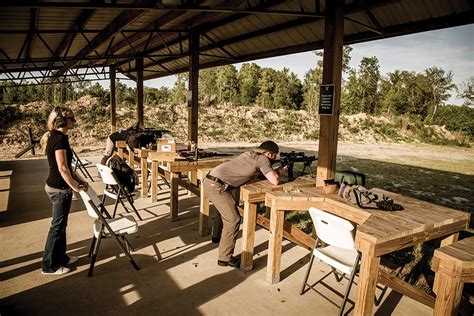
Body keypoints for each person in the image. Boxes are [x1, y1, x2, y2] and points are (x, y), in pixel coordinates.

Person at [202, 140, 281, 268]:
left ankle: (217, 237)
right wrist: (278, 172)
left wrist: (271, 170)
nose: (275, 158)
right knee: (233, 219)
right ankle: (224, 258)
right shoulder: (263, 160)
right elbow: (275, 181)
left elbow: (252, 171)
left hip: (215, 181)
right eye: (274, 155)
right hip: (217, 186)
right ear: (270, 154)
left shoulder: (249, 154)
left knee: (225, 210)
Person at [40, 106, 89, 275]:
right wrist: (75, 187)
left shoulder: (59, 137)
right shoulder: (59, 139)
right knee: (57, 227)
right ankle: (49, 266)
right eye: (72, 118)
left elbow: (68, 167)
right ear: (61, 121)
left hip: (59, 187)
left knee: (61, 226)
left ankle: (62, 258)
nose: (75, 121)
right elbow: (62, 168)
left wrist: (80, 180)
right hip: (58, 189)